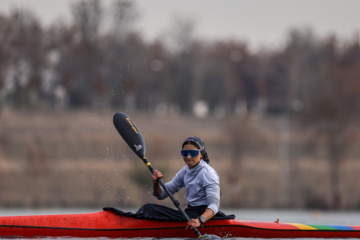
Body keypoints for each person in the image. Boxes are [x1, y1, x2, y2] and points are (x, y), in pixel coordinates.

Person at [152, 136, 223, 229]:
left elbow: (214, 205)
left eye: (193, 153)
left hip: (205, 216)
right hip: (191, 213)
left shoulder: (208, 173)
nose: (188, 157)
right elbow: (162, 194)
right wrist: (156, 183)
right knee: (150, 208)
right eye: (185, 153)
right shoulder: (185, 171)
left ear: (201, 154)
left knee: (149, 209)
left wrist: (199, 220)